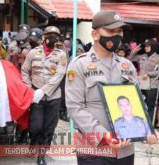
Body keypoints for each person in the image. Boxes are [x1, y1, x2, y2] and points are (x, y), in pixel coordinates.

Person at [65, 10, 159, 165]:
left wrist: (146, 129)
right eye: (110, 31)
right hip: (94, 149)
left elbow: (138, 102)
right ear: (95, 34)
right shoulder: (79, 65)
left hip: (125, 150)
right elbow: (75, 107)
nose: (116, 36)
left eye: (119, 31)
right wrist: (104, 135)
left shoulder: (126, 65)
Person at [21, 26, 67, 165]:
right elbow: (25, 71)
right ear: (43, 38)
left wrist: (43, 91)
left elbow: (59, 76)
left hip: (53, 97)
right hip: (36, 95)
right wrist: (30, 89)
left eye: (55, 36)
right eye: (49, 35)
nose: (52, 38)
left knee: (48, 128)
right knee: (35, 127)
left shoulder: (61, 55)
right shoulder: (33, 53)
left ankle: (41, 156)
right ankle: (33, 140)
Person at [129, 39, 159, 121]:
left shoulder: (157, 57)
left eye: (148, 46)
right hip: (141, 84)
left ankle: (149, 123)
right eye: (145, 46)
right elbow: (130, 59)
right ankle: (141, 122)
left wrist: (149, 74)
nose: (146, 48)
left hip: (152, 84)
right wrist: (134, 51)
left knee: (150, 105)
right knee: (140, 104)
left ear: (153, 47)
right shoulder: (142, 56)